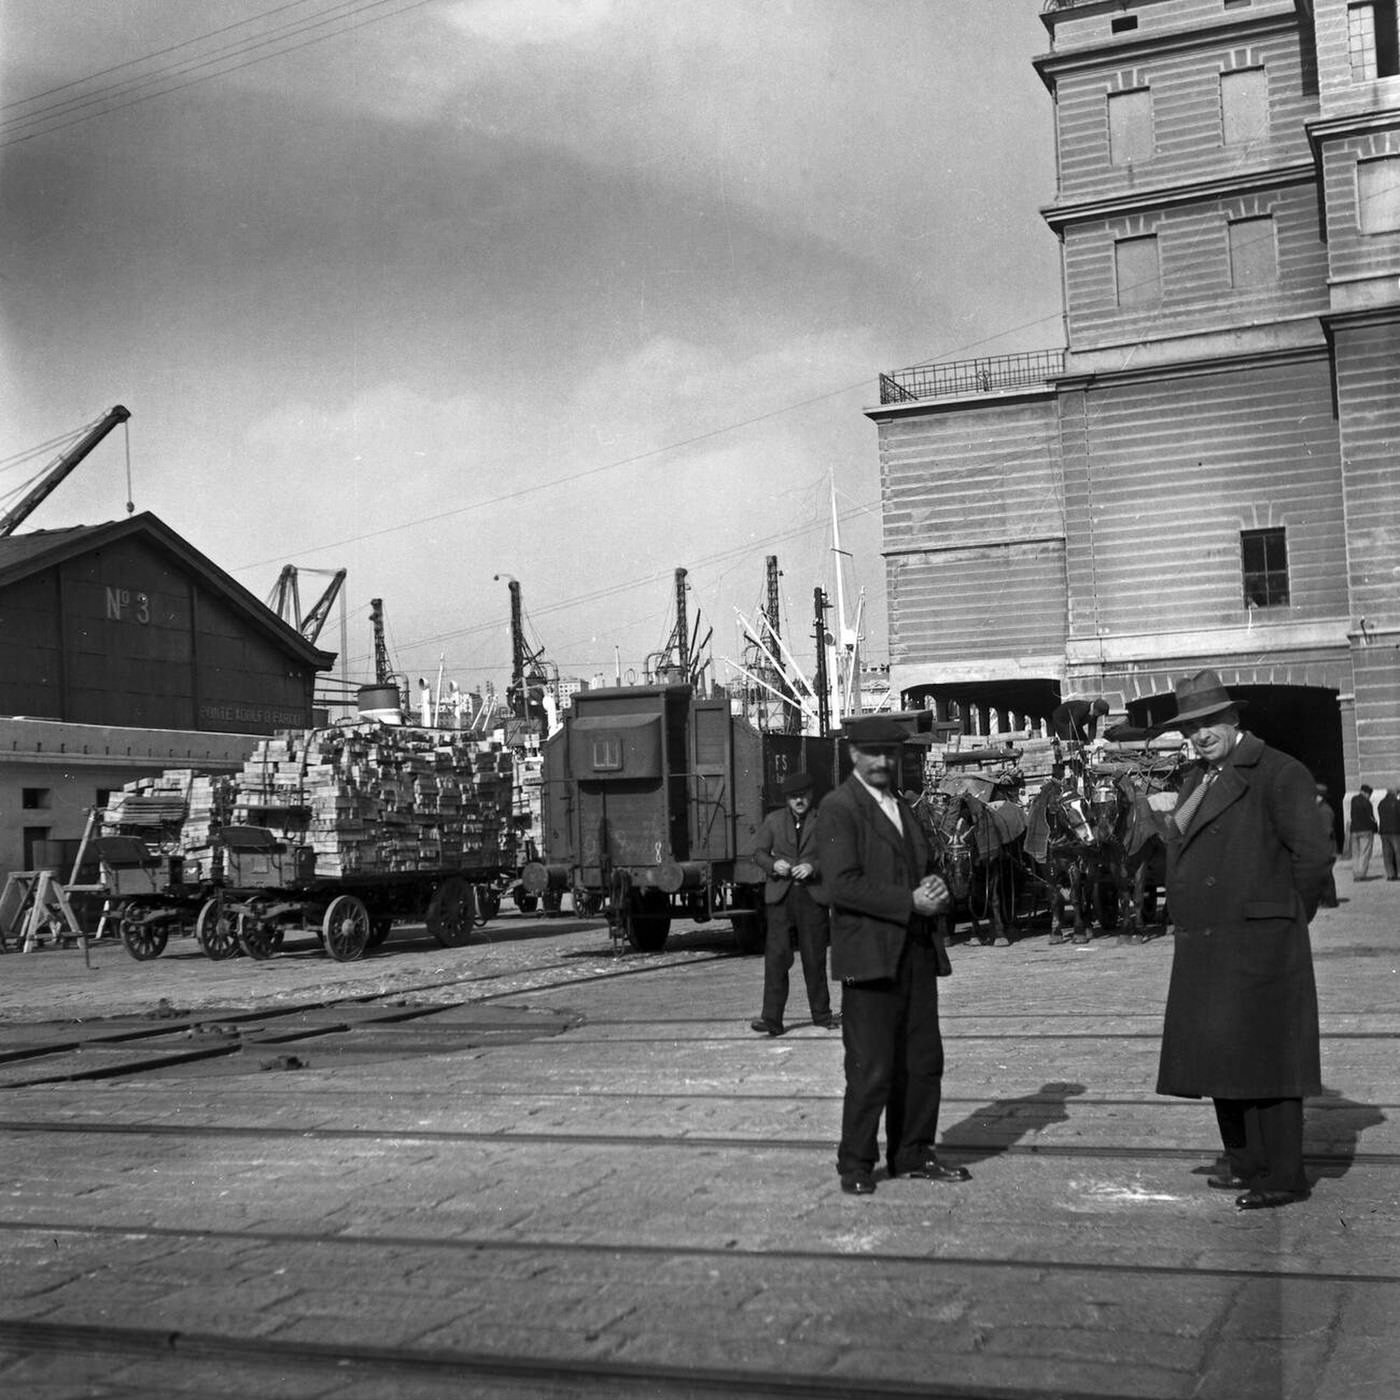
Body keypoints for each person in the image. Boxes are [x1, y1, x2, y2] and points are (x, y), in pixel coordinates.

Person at [1155, 669, 1332, 1212]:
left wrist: (1280, 919)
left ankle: (1283, 1175)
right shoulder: (1196, 781)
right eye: (1191, 728)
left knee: (1270, 1060)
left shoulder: (1279, 773)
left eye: (1210, 722)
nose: (1201, 734)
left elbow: (1315, 858)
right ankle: (1246, 1163)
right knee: (1221, 1057)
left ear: (1234, 719)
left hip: (1259, 942)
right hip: (1208, 943)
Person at [820, 714, 969, 1197]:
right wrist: (909, 901)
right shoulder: (839, 807)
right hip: (869, 958)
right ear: (853, 756)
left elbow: (923, 866)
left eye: (891, 754)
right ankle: (856, 1163)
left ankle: (914, 1151)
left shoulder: (901, 806)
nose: (884, 762)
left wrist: (936, 885)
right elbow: (840, 885)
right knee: (872, 1067)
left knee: (923, 1061)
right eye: (874, 754)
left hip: (915, 953)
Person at [748, 772, 838, 1036]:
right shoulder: (773, 821)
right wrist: (773, 864)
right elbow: (758, 853)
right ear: (786, 799)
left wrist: (813, 866)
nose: (799, 800)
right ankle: (771, 1019)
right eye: (793, 796)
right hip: (780, 897)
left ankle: (822, 1015)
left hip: (812, 897)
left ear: (811, 795)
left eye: (803, 795)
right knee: (776, 958)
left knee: (814, 958)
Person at [1315, 782, 1339, 908]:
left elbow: (1326, 831)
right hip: (1323, 848)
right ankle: (1326, 900)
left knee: (1326, 875)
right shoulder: (1320, 809)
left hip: (1326, 849)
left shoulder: (1324, 811)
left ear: (1320, 797)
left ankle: (1330, 901)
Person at [1349, 784, 1378, 880]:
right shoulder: (1367, 803)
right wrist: (1375, 827)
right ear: (1366, 793)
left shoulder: (1353, 800)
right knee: (1364, 853)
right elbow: (1371, 818)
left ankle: (1355, 873)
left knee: (1355, 854)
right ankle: (1361, 874)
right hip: (1366, 830)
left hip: (1354, 830)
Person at [1378, 784, 1400, 881]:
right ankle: (1399, 873)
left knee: (1387, 854)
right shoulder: (1397, 803)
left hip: (1384, 831)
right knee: (1398, 852)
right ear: (1395, 793)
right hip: (1396, 831)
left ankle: (1390, 874)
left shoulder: (1381, 803)